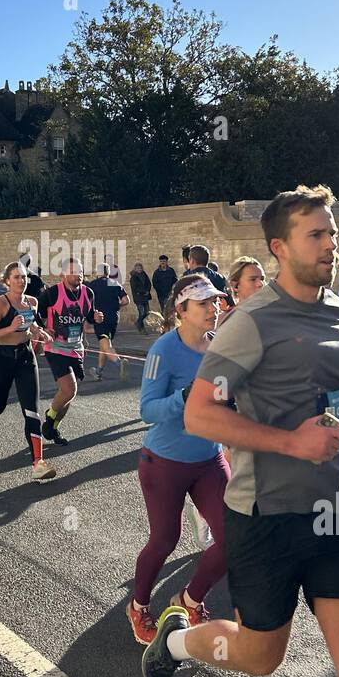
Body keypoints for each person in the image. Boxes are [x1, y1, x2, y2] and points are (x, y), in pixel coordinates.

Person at [141, 186, 339, 677]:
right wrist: (290, 443)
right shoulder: (251, 322)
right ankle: (177, 640)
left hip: (334, 511)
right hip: (265, 516)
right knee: (262, 657)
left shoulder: (336, 309)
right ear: (280, 247)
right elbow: (200, 412)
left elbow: (323, 393)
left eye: (333, 233)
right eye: (317, 235)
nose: (331, 245)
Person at [127, 274, 230, 645]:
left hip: (208, 459)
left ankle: (189, 599)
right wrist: (184, 397)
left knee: (235, 535)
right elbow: (147, 410)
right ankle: (138, 607)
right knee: (165, 540)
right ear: (181, 311)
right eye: (204, 303)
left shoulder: (221, 347)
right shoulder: (163, 350)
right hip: (165, 462)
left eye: (216, 302)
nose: (213, 309)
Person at [0, 261, 57, 480]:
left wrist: (41, 333)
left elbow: (32, 325)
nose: (21, 280)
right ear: (7, 280)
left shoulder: (32, 302)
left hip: (25, 358)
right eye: (17, 277)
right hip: (1, 359)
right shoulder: (1, 304)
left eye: (24, 277)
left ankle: (38, 462)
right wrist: (10, 328)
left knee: (31, 410)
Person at [37, 259, 103, 447]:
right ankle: (49, 419)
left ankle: (54, 426)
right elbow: (36, 314)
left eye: (81, 272)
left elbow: (89, 316)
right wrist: (43, 329)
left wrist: (96, 318)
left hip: (77, 348)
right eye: (74, 272)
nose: (79, 275)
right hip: (56, 347)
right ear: (64, 274)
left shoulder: (88, 293)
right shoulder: (51, 293)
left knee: (69, 395)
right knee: (69, 389)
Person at [87, 264, 129, 381]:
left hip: (100, 318)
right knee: (103, 345)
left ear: (98, 272)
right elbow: (126, 300)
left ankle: (120, 364)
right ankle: (98, 371)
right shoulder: (115, 283)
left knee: (106, 345)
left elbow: (86, 302)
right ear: (108, 272)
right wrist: (116, 306)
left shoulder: (93, 285)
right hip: (114, 319)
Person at [129, 262, 152, 333]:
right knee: (141, 313)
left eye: (140, 268)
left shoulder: (144, 275)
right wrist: (143, 291)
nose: (139, 269)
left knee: (147, 312)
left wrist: (147, 290)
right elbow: (135, 288)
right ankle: (142, 328)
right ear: (135, 269)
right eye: (138, 268)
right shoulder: (133, 277)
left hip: (145, 297)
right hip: (138, 297)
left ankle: (138, 322)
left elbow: (149, 283)